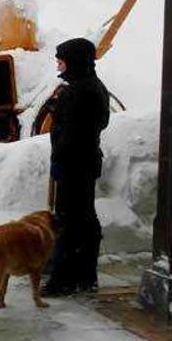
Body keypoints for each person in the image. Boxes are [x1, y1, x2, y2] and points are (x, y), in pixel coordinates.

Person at [43, 38, 110, 296]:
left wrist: (59, 160)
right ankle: (85, 274)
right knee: (84, 218)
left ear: (74, 61)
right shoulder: (90, 87)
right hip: (84, 162)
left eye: (62, 61)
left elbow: (72, 132)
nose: (59, 67)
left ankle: (63, 279)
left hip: (74, 164)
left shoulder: (81, 91)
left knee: (70, 221)